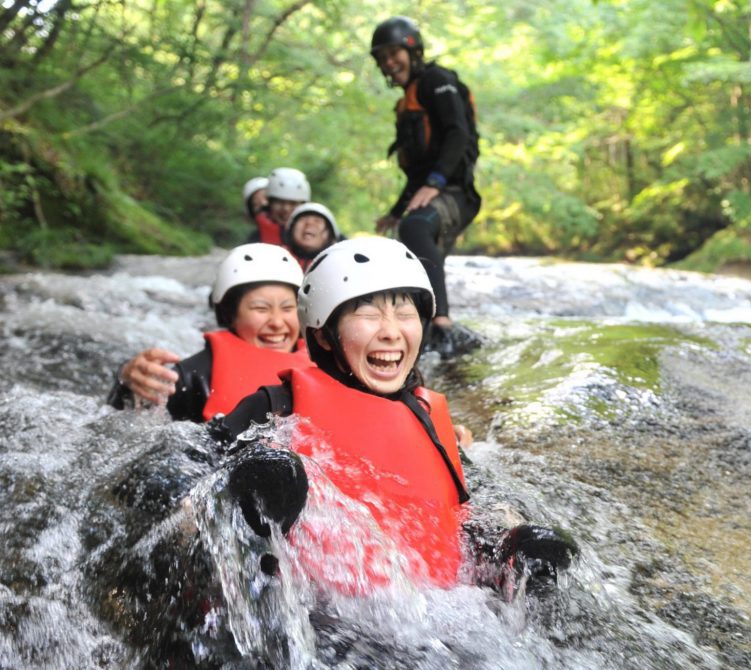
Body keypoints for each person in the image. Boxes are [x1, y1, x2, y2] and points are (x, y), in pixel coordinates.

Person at [219, 236, 576, 595]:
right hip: (313, 613)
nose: (391, 331)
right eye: (368, 313)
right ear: (325, 336)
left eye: (405, 314)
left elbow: (467, 512)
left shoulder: (427, 417)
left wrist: (509, 547)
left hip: (439, 610)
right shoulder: (279, 404)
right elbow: (194, 464)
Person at [370, 16, 481, 358]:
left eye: (394, 54)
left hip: (456, 193)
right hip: (435, 189)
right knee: (405, 251)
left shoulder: (437, 81)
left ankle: (442, 325)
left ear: (413, 50)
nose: (389, 63)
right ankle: (421, 333)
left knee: (415, 225)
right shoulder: (406, 104)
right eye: (382, 59)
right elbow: (416, 174)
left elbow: (458, 134)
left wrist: (436, 182)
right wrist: (394, 210)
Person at [107, 243, 313, 422]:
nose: (277, 322)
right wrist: (126, 384)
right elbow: (123, 423)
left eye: (288, 308)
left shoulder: (327, 364)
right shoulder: (194, 377)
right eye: (261, 308)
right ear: (230, 315)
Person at [255, 167, 311, 246]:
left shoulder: (317, 239)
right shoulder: (255, 239)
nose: (286, 208)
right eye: (279, 202)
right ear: (269, 202)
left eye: (293, 203)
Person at [284, 201, 344, 270]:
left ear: (328, 234)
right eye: (303, 219)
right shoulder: (276, 256)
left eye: (317, 221)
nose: (309, 224)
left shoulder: (339, 266)